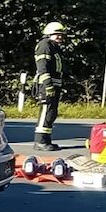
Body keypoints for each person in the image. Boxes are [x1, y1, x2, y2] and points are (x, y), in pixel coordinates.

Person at [34, 21, 67, 150]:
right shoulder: (44, 46)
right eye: (56, 34)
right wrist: (48, 85)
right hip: (46, 85)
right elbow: (42, 67)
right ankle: (40, 141)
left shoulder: (54, 47)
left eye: (61, 34)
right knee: (46, 112)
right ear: (48, 34)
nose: (60, 36)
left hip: (54, 85)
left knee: (51, 113)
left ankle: (46, 140)